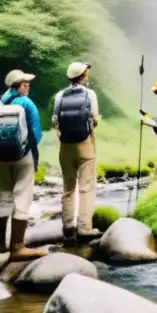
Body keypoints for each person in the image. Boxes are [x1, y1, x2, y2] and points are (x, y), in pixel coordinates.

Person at [0, 68, 46, 259]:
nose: (28, 87)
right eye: (27, 84)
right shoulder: (26, 103)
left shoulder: (1, 102)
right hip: (22, 156)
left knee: (5, 195)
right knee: (23, 197)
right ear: (21, 85)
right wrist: (29, 151)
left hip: (2, 156)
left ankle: (0, 245)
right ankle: (17, 246)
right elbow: (36, 134)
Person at [52, 61, 101, 245]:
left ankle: (67, 229)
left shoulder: (59, 96)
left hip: (65, 147)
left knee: (68, 188)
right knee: (86, 186)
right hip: (85, 144)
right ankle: (84, 228)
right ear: (83, 76)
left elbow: (55, 121)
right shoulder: (90, 94)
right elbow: (94, 119)